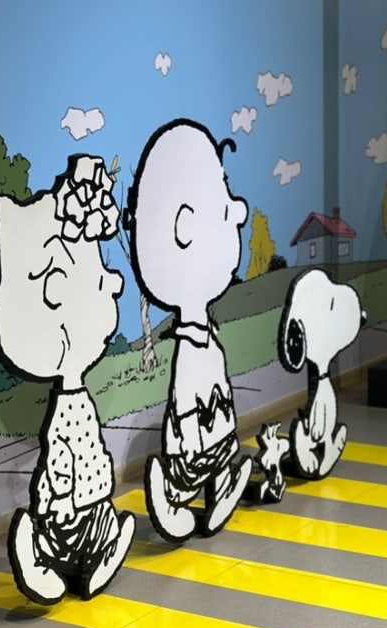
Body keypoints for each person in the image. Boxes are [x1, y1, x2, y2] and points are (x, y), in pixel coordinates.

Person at [0, 155, 134, 603]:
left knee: (83, 492)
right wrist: (62, 496)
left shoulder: (76, 400)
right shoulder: (67, 402)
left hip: (85, 491)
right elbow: (65, 458)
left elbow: (83, 458)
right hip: (70, 493)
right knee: (66, 476)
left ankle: (95, 550)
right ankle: (48, 555)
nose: (112, 283)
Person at [127, 119, 253, 542]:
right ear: (184, 228)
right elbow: (184, 400)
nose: (238, 210)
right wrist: (193, 430)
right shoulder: (191, 347)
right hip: (194, 436)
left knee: (216, 447)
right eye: (223, 199)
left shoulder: (206, 338)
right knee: (192, 457)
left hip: (215, 426)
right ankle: (176, 495)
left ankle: (218, 485)